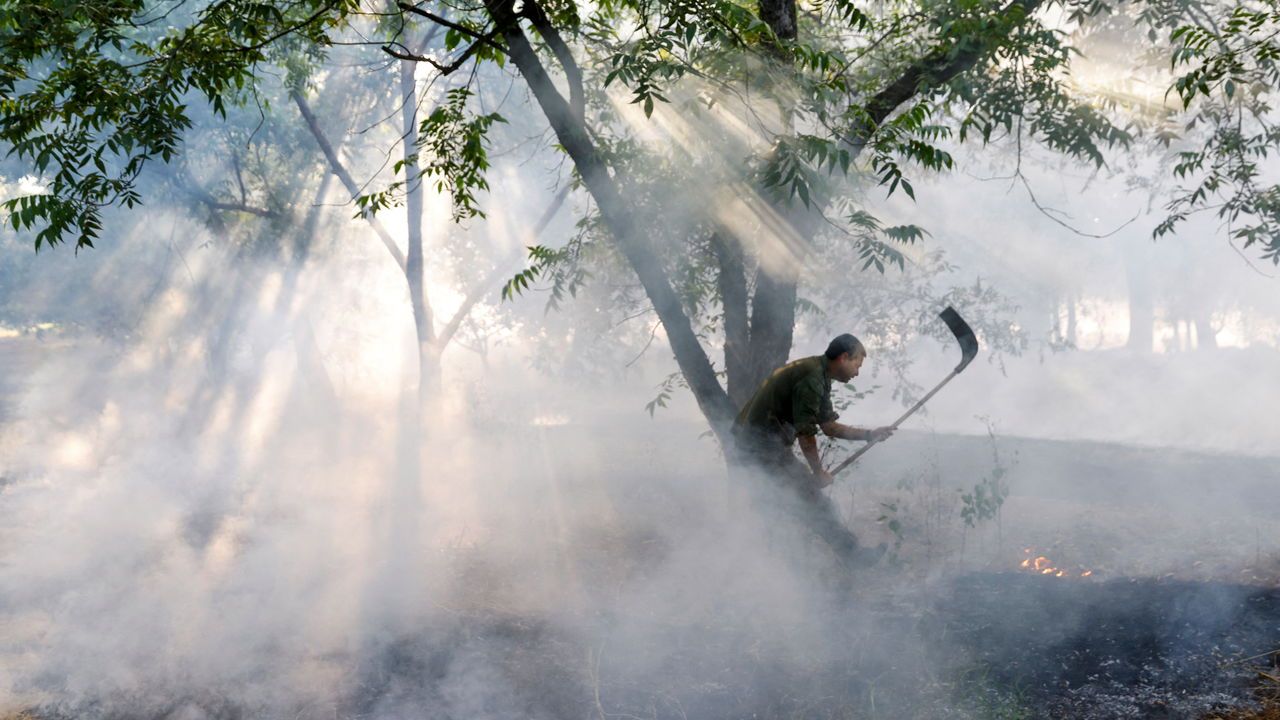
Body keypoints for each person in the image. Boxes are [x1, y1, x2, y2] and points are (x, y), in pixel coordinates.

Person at [731, 333, 893, 567]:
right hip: (759, 448)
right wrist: (817, 473)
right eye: (857, 364)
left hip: (760, 446)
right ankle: (848, 558)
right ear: (844, 357)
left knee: (784, 506)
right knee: (811, 502)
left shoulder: (819, 375)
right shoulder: (812, 379)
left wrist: (870, 435)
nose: (857, 372)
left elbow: (828, 426)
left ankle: (777, 568)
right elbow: (806, 434)